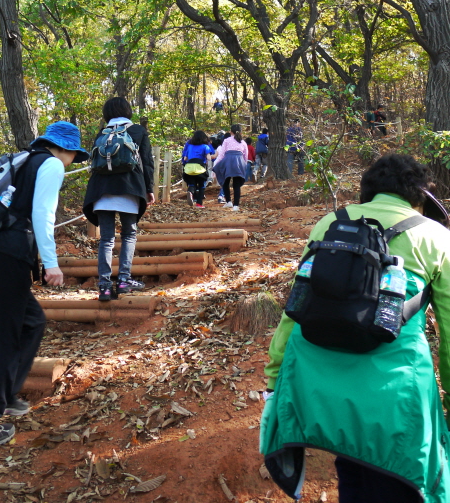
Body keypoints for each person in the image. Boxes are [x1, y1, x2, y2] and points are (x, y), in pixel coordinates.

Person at [260, 154, 450, 503]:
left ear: (368, 192)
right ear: (418, 196)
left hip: (322, 385)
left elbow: (296, 307)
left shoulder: (330, 223)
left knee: (352, 472)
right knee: (402, 481)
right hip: (396, 388)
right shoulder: (436, 236)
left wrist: (274, 380)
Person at [0, 121, 88, 453]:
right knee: (3, 343)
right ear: (66, 149)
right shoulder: (52, 164)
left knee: (32, 322)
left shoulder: (22, 160)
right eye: (75, 155)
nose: (73, 161)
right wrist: (52, 262)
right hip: (6, 258)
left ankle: (8, 393)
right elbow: (44, 214)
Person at [83, 97, 154, 302]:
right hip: (129, 188)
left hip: (101, 191)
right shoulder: (138, 131)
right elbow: (147, 163)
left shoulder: (102, 133)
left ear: (107, 114)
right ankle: (124, 280)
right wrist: (148, 189)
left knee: (106, 239)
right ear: (128, 111)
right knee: (129, 234)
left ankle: (104, 286)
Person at [213, 125, 248, 211]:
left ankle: (228, 201)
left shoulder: (226, 140)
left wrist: (217, 164)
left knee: (225, 181)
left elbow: (221, 154)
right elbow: (245, 156)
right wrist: (244, 165)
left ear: (230, 132)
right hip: (239, 162)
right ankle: (236, 205)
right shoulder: (243, 142)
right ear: (241, 132)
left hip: (228, 161)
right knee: (236, 184)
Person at [182, 131, 216, 208]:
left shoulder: (190, 146)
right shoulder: (205, 146)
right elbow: (209, 158)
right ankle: (199, 204)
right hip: (200, 168)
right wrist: (215, 155)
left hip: (189, 168)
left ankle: (190, 192)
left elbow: (185, 158)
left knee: (192, 184)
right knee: (202, 186)